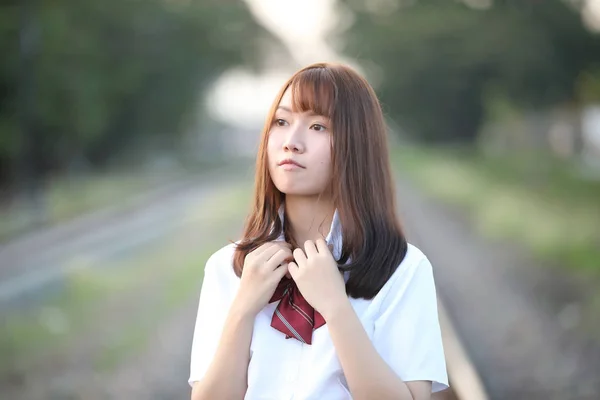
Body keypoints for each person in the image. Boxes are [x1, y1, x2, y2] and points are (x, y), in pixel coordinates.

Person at [188, 62, 449, 400]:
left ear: (356, 144)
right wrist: (243, 309)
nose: (292, 142)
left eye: (318, 126)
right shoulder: (230, 267)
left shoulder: (401, 268)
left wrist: (335, 306)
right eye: (281, 122)